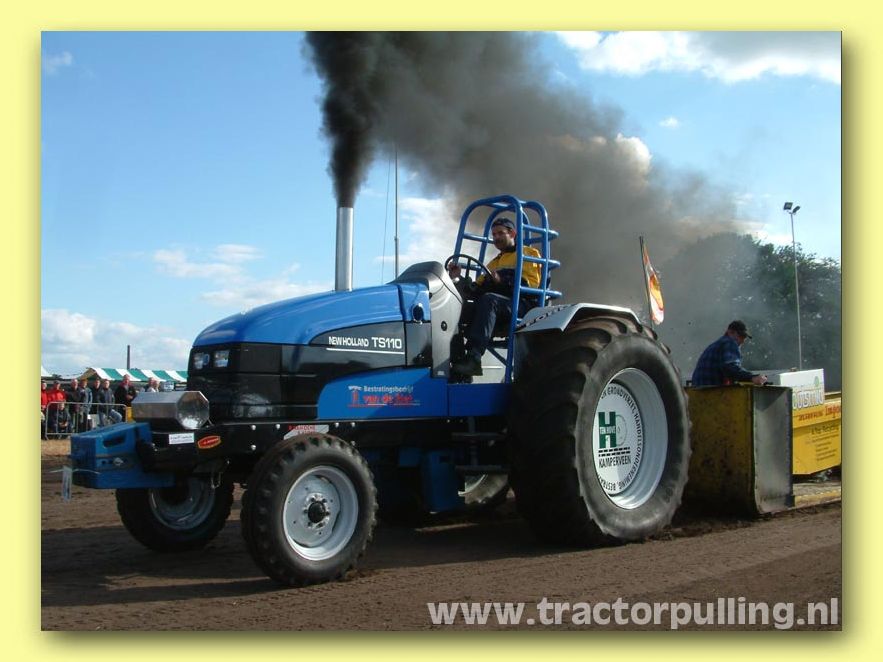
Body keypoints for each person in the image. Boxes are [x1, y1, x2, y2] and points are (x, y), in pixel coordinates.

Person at [448, 216, 542, 377]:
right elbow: (475, 290)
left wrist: (502, 281)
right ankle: (458, 362)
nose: (496, 238)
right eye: (494, 234)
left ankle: (474, 357)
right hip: (499, 305)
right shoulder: (494, 263)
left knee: (489, 300)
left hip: (523, 305)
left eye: (500, 233)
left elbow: (531, 286)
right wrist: (458, 278)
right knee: (457, 306)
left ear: (512, 233)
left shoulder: (529, 254)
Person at [691, 320, 769, 387]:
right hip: (712, 391)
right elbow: (730, 367)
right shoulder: (730, 343)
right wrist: (752, 377)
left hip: (698, 390)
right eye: (741, 336)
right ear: (730, 332)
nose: (742, 341)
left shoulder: (716, 344)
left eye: (744, 337)